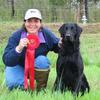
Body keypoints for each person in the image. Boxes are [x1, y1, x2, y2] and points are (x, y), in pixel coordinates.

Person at [2, 9, 60, 92]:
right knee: (14, 85)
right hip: (18, 66)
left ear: (40, 23)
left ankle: (40, 89)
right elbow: (7, 60)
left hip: (36, 65)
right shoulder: (16, 36)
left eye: (36, 21)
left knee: (42, 61)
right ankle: (23, 85)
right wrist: (18, 48)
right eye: (29, 21)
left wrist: (63, 43)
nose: (32, 24)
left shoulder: (46, 34)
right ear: (25, 22)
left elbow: (57, 46)